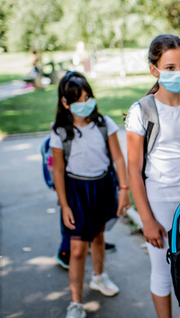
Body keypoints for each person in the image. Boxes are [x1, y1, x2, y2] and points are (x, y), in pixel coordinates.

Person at [126, 34, 180, 318]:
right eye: (171, 67)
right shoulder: (141, 111)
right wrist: (147, 219)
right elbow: (134, 170)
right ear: (155, 70)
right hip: (161, 202)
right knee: (164, 271)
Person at [51, 71, 131, 318]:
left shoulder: (105, 123)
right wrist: (64, 205)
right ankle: (76, 302)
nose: (86, 103)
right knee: (76, 249)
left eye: (88, 97)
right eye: (78, 99)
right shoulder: (60, 132)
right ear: (65, 103)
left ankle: (98, 277)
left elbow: (118, 158)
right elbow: (58, 171)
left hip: (102, 187)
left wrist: (124, 190)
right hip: (76, 191)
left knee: (98, 236)